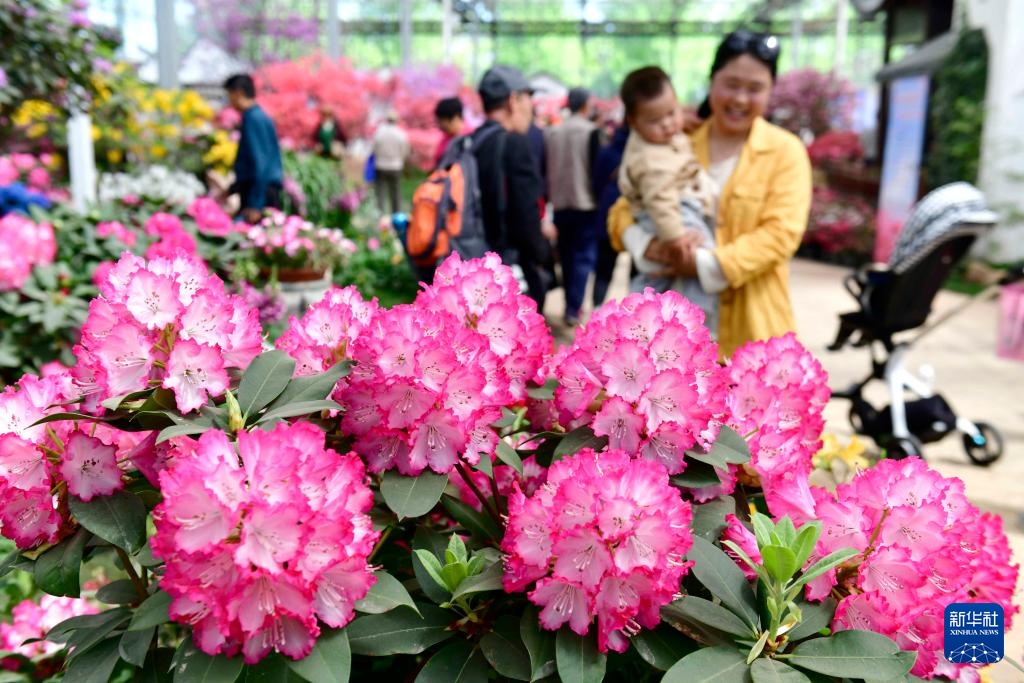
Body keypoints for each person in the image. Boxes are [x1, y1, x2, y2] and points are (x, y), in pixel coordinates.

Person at [609, 30, 812, 357]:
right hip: (678, 343)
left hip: (754, 336)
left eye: (755, 88)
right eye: (731, 84)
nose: (740, 99)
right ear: (712, 81)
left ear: (771, 90)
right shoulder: (679, 140)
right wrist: (648, 246)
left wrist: (701, 264)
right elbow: (621, 210)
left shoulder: (785, 152)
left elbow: (780, 235)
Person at [617, 66, 719, 331]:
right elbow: (660, 200)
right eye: (655, 120)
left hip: (669, 211)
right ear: (633, 121)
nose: (668, 124)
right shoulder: (651, 161)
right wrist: (675, 238)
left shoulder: (659, 137)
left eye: (672, 113)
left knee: (656, 275)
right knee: (700, 258)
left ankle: (638, 315)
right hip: (672, 214)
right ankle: (697, 323)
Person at [472, 65, 551, 309]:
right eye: (529, 98)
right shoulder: (515, 144)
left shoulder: (470, 142)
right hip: (509, 268)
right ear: (513, 100)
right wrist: (541, 255)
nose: (531, 108)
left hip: (472, 267)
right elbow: (526, 216)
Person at [545, 87, 602, 325]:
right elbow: (597, 171)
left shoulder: (553, 132)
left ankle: (570, 304)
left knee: (567, 257)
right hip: (585, 203)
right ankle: (573, 308)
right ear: (585, 105)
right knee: (582, 258)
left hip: (559, 204)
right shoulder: (591, 132)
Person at [224, 73, 283, 224]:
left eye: (230, 95)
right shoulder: (257, 116)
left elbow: (260, 163)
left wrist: (255, 204)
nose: (229, 101)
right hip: (260, 191)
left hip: (260, 194)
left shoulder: (253, 119)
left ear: (239, 93)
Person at [590, 122, 629, 308]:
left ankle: (597, 310)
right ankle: (640, 319)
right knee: (638, 273)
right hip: (637, 219)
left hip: (608, 215)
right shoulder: (646, 154)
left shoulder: (607, 152)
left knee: (603, 271)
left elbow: (596, 184)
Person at [371, 111, 410, 215]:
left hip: (381, 165)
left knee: (380, 193)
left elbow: (374, 149)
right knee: (396, 193)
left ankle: (380, 216)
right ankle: (396, 216)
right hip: (396, 166)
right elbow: (405, 151)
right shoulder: (401, 134)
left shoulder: (379, 133)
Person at [433, 97, 465, 169]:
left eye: (441, 122)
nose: (439, 126)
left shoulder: (470, 138)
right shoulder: (445, 139)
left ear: (455, 118)